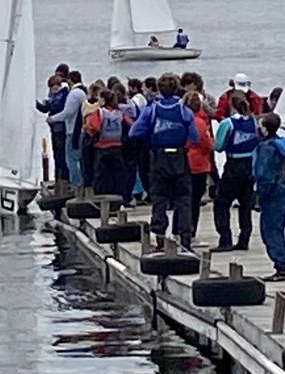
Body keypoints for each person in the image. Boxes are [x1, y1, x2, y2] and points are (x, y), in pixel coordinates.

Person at [129, 72, 199, 250]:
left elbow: (134, 132)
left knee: (159, 198)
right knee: (183, 200)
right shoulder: (184, 110)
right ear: (177, 88)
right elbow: (195, 137)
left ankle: (159, 239)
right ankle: (185, 240)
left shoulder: (152, 109)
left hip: (159, 157)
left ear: (160, 89)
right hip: (179, 157)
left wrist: (151, 135)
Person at [213, 91, 260, 251]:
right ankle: (244, 239)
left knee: (222, 202)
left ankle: (225, 238)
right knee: (246, 204)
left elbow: (218, 147)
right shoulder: (254, 122)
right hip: (250, 165)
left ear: (231, 104)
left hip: (234, 164)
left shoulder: (228, 123)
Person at [254, 113, 285, 282]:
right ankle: (281, 265)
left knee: (270, 231)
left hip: (271, 191)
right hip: (283, 188)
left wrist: (259, 197)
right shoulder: (281, 143)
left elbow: (263, 173)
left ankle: (281, 267)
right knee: (277, 228)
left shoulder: (266, 148)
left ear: (265, 128)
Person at [181, 91, 214, 239]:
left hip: (182, 162)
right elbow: (207, 144)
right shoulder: (200, 123)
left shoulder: (181, 121)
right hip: (199, 164)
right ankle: (191, 231)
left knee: (182, 199)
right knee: (195, 201)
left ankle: (178, 229)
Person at [48, 70, 87, 186]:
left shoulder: (75, 94)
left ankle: (77, 184)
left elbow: (67, 112)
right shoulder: (83, 92)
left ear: (70, 80)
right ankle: (81, 182)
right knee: (79, 159)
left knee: (71, 160)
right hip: (80, 129)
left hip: (73, 130)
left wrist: (53, 118)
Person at [85, 90, 126, 196]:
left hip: (102, 147)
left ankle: (101, 195)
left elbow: (94, 127)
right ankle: (119, 196)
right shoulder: (119, 112)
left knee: (101, 175)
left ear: (103, 100)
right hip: (117, 146)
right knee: (118, 174)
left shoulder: (100, 112)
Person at [36, 70, 70, 182]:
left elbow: (52, 107)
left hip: (60, 127)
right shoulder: (55, 95)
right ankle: (59, 177)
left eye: (53, 87)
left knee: (61, 153)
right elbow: (46, 108)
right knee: (57, 153)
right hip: (55, 127)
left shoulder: (62, 94)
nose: (51, 90)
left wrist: (44, 104)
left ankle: (63, 178)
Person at [80, 81, 105, 189]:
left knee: (86, 165)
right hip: (97, 136)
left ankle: (87, 187)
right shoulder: (99, 106)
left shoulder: (85, 104)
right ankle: (97, 187)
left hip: (87, 135)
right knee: (97, 165)